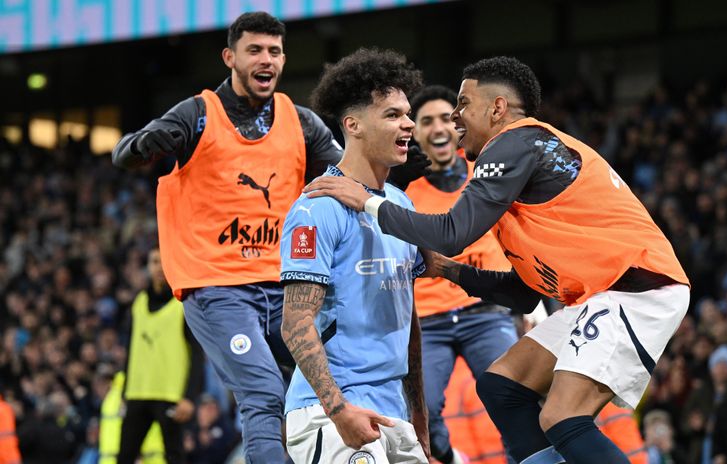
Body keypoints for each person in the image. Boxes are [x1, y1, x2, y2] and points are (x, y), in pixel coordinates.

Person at [304, 56, 690, 464]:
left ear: (498, 108)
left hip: (637, 288)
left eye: (463, 104)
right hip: (602, 295)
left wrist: (367, 202)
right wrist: (448, 271)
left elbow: (453, 233)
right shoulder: (522, 174)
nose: (455, 119)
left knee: (563, 417)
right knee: (501, 385)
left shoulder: (516, 141)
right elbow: (523, 295)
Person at [110, 12, 341, 462]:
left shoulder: (301, 122)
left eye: (274, 51)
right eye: (255, 50)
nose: (266, 59)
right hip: (218, 289)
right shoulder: (197, 115)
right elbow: (124, 153)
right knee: (264, 392)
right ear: (229, 57)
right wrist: (144, 145)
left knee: (328, 383)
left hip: (283, 286)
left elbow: (350, 176)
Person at [279, 48, 430, 464]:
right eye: (393, 115)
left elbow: (407, 318)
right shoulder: (317, 206)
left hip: (393, 412)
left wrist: (420, 416)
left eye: (407, 113)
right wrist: (338, 409)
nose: (408, 124)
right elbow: (295, 323)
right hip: (332, 411)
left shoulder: (402, 205)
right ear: (353, 125)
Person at [406, 85, 517, 464]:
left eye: (444, 118)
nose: (437, 128)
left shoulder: (487, 174)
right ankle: (452, 459)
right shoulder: (406, 194)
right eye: (426, 121)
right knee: (421, 414)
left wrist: (536, 309)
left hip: (485, 313)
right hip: (430, 322)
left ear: (457, 126)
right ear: (415, 133)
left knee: (513, 400)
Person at [118, 248, 204, 463]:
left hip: (170, 394)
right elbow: (131, 349)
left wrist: (190, 397)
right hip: (137, 392)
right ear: (148, 266)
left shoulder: (183, 303)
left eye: (164, 261)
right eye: (154, 261)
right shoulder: (137, 302)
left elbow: (197, 353)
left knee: (175, 456)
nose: (159, 267)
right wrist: (125, 389)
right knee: (124, 455)